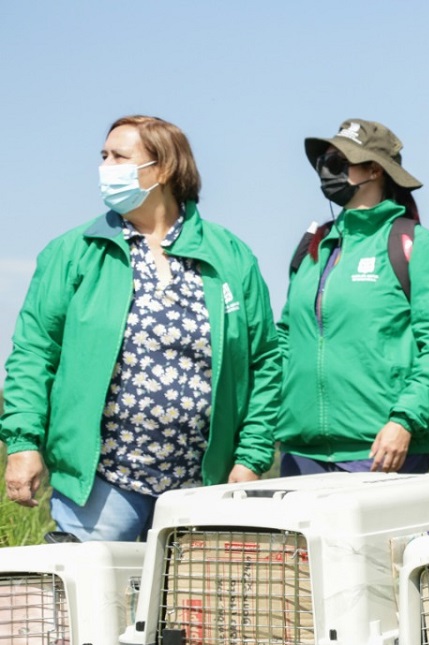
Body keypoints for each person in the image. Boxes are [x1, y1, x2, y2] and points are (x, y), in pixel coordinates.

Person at [0, 115, 279, 541]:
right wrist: (22, 442)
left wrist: (252, 458)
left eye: (120, 157)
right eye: (103, 156)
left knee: (183, 608)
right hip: (103, 485)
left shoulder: (230, 256)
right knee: (90, 602)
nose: (105, 167)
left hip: (201, 487)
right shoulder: (74, 252)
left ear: (163, 169)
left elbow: (265, 362)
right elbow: (34, 353)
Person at [276, 119, 429, 475]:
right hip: (300, 453)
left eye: (337, 161)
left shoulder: (417, 247)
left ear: (375, 170)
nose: (325, 171)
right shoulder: (312, 250)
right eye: (323, 162)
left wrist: (404, 421)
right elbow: (286, 341)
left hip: (382, 449)